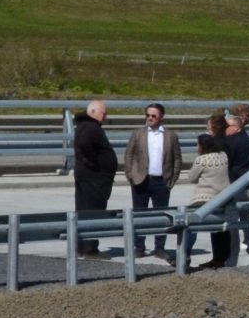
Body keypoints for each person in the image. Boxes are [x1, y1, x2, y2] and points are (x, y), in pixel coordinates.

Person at [122, 101, 180, 260]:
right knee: (139, 215)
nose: (150, 118)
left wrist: (172, 179)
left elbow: (177, 159)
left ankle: (159, 248)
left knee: (162, 216)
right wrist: (130, 175)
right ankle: (139, 247)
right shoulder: (138, 133)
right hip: (141, 180)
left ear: (161, 116)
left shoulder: (170, 136)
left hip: (162, 181)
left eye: (153, 115)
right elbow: (129, 155)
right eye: (147, 115)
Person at [179, 132, 232, 266]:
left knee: (190, 225)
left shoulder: (201, 160)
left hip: (204, 198)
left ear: (202, 146)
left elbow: (191, 178)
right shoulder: (223, 156)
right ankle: (220, 258)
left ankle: (185, 255)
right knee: (220, 228)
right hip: (223, 198)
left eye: (197, 144)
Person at [71, 99, 115, 255]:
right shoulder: (90, 128)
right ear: (93, 112)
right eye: (103, 113)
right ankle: (89, 248)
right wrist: (93, 163)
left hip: (89, 177)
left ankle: (83, 247)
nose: (105, 116)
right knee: (93, 212)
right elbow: (85, 145)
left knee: (84, 211)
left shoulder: (85, 126)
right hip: (94, 179)